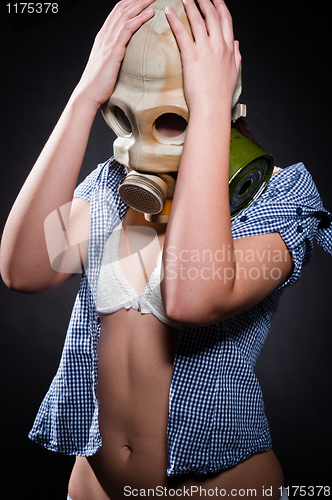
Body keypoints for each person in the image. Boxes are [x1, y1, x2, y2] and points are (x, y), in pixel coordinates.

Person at [1, 0, 331, 499]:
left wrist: (210, 111)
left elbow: (191, 298)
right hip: (94, 487)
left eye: (172, 117)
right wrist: (84, 98)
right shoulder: (114, 187)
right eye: (126, 117)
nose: (146, 142)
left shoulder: (278, 199)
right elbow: (24, 270)